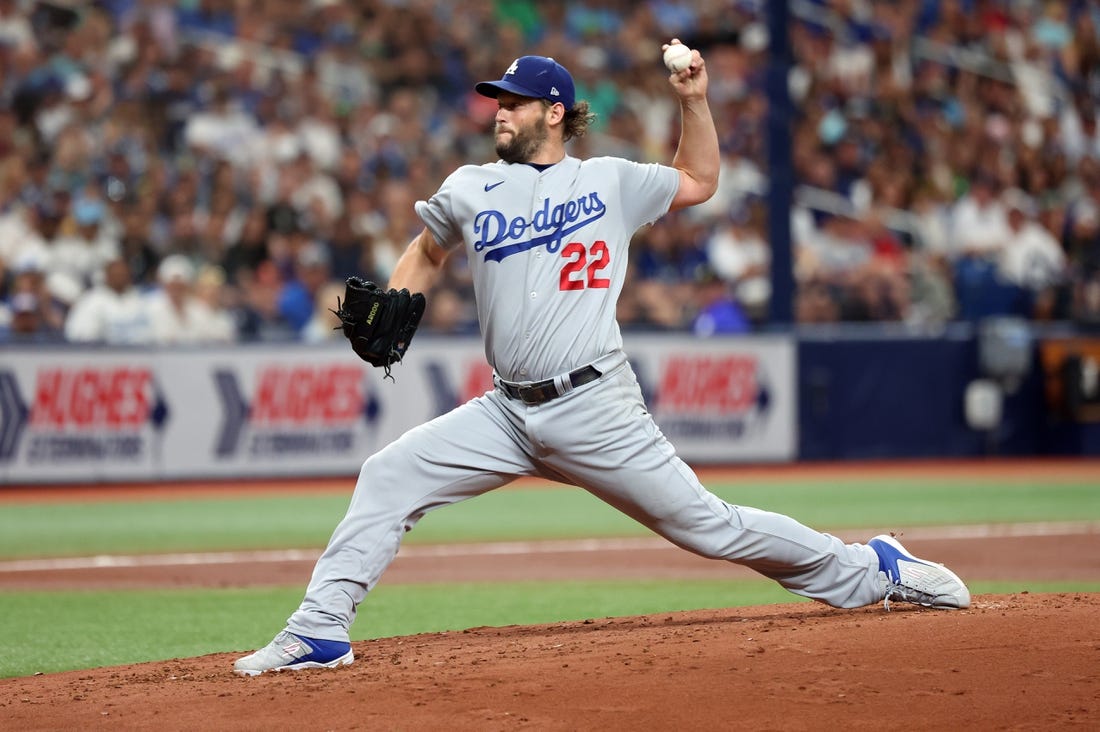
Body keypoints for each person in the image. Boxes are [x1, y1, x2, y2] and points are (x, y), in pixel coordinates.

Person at [235, 44, 970, 676]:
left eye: (514, 102)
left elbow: (701, 181)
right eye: (497, 100)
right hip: (506, 410)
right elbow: (427, 251)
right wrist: (398, 296)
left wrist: (696, 102)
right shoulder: (469, 185)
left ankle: (873, 569)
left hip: (594, 406)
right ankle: (320, 629)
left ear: (554, 112)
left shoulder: (610, 180)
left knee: (710, 528)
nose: (499, 111)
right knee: (388, 474)